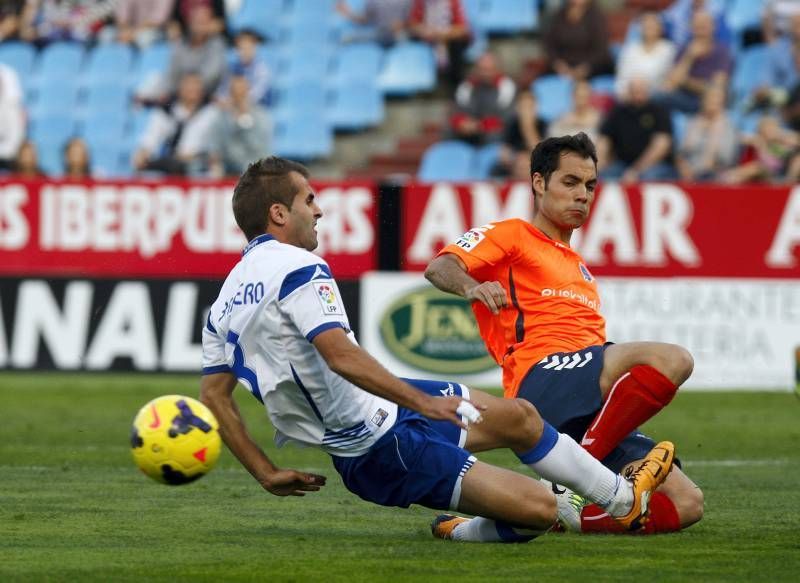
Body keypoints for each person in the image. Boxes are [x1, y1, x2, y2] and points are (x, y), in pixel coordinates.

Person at [199, 156, 676, 542]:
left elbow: (214, 397)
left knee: (522, 418)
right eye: (309, 199)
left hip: (394, 405)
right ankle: (467, 530)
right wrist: (427, 405)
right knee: (541, 509)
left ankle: (619, 498)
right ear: (279, 213)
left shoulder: (223, 304)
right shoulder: (298, 267)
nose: (319, 210)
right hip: (382, 447)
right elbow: (340, 356)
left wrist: (263, 472)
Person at [425, 133, 704, 536]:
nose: (583, 195)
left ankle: (558, 514)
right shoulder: (512, 234)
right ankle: (575, 471)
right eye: (570, 183)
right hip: (543, 380)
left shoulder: (579, 267)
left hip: (588, 405)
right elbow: (440, 267)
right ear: (539, 183)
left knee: (686, 504)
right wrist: (472, 287)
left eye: (590, 185)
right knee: (672, 359)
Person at [133, 73, 218, 176]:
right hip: (172, 164)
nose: (192, 90)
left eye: (196, 86)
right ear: (180, 89)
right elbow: (151, 138)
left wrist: (194, 156)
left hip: (200, 165)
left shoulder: (212, 113)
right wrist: (143, 152)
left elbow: (216, 145)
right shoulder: (166, 112)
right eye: (188, 86)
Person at [597, 77, 676, 182]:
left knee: (648, 177)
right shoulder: (618, 112)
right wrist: (599, 163)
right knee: (604, 177)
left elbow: (661, 145)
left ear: (648, 91)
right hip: (623, 163)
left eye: (641, 91)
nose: (638, 95)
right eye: (635, 91)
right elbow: (604, 139)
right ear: (629, 92)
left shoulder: (659, 111)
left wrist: (636, 170)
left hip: (654, 164)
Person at [659, 10, 732, 114]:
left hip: (706, 101)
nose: (701, 29)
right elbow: (671, 84)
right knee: (658, 98)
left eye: (704, 25)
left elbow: (716, 87)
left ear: (713, 27)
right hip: (682, 97)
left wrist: (685, 82)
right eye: (697, 25)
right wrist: (689, 57)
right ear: (691, 28)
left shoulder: (722, 52)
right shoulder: (684, 49)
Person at [209, 75, 271, 177]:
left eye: (242, 92)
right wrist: (215, 161)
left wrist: (244, 121)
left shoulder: (261, 116)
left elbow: (260, 148)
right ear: (230, 94)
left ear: (248, 92)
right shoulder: (222, 117)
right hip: (227, 165)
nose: (238, 96)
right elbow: (215, 145)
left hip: (253, 165)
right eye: (234, 92)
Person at [449, 52, 516, 146]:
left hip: (497, 136)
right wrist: (462, 123)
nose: (486, 74)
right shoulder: (466, 87)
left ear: (498, 69)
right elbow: (456, 112)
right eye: (482, 70)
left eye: (489, 70)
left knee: (495, 136)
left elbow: (506, 119)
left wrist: (479, 126)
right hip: (468, 133)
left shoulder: (508, 87)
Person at [675, 85, 737, 182]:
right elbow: (680, 153)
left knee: (708, 177)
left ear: (722, 102)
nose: (712, 101)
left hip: (713, 172)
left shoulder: (728, 127)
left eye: (716, 98)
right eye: (709, 98)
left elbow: (726, 158)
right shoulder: (691, 122)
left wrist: (706, 167)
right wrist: (683, 167)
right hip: (686, 171)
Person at [542, 0, 614, 81]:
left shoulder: (597, 17)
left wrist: (583, 69)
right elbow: (549, 45)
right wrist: (559, 65)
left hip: (592, 69)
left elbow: (601, 50)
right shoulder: (558, 16)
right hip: (562, 69)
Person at [407, 0, 471, 90]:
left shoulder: (453, 2)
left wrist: (442, 35)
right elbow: (412, 25)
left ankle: (455, 88)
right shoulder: (420, 2)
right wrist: (424, 31)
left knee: (456, 46)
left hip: (448, 40)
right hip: (427, 40)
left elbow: (462, 29)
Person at [615, 11, 677, 98]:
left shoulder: (669, 50)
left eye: (653, 25)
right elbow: (621, 78)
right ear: (640, 28)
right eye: (646, 25)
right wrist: (626, 94)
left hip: (655, 97)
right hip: (629, 96)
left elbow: (670, 79)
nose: (649, 28)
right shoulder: (630, 49)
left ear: (661, 28)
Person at [492, 90, 547, 180]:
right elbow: (504, 154)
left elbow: (541, 154)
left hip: (534, 162)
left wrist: (527, 127)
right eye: (523, 107)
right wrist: (516, 158)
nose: (526, 111)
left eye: (529, 107)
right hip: (515, 163)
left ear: (536, 108)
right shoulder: (511, 125)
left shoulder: (543, 124)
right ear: (517, 108)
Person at [335, 0, 411, 46]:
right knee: (351, 38)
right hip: (382, 33)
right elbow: (365, 20)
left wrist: (403, 24)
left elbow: (415, 19)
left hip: (404, 34)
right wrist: (348, 13)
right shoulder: (373, 1)